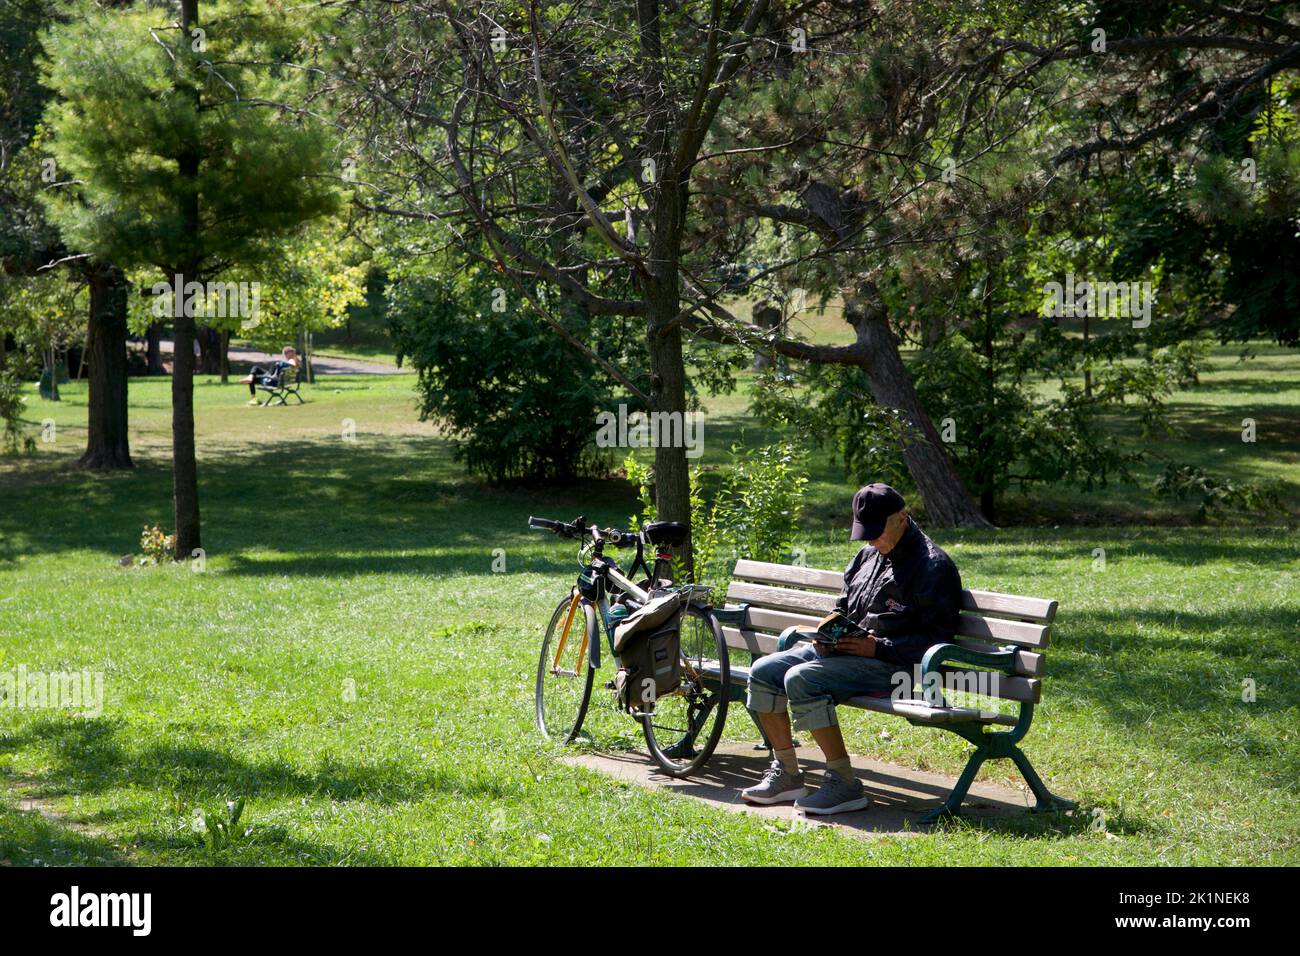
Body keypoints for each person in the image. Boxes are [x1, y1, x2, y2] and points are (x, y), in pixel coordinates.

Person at [740, 483, 963, 815]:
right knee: (764, 671)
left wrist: (878, 648)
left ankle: (844, 783)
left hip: (895, 667)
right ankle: (787, 772)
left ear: (902, 518)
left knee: (802, 679)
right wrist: (828, 634)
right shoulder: (867, 555)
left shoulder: (934, 567)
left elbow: (938, 641)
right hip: (844, 654)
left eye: (876, 532)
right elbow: (843, 608)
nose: (872, 540)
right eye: (865, 533)